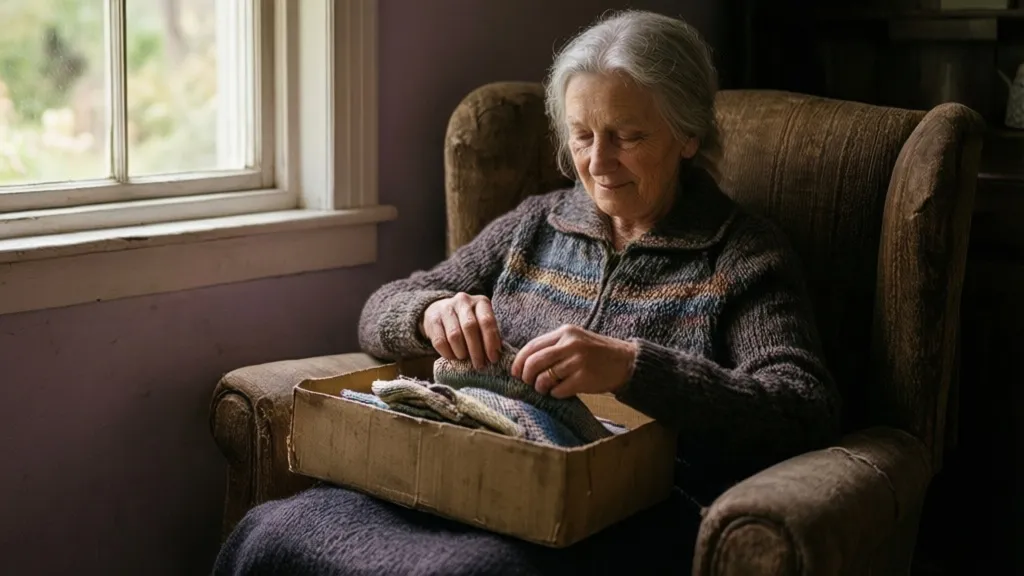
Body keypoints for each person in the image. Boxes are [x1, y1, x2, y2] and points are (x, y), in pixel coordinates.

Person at [213, 9, 841, 575]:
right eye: (583, 135)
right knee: (272, 530)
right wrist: (434, 310)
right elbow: (381, 310)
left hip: (624, 513)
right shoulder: (534, 224)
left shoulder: (742, 254)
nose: (598, 161)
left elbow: (801, 407)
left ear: (688, 135)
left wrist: (631, 366)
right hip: (465, 479)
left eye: (628, 135)